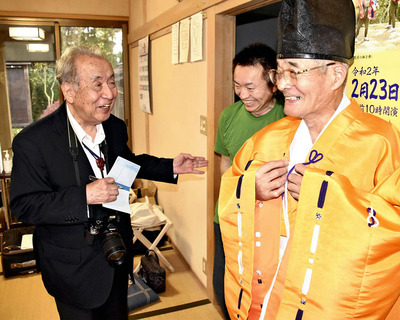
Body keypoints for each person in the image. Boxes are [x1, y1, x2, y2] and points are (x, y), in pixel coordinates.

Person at [218, 0, 400, 319]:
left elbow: (392, 229)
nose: (282, 84)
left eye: (294, 72)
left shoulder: (380, 141)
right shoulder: (266, 140)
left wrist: (331, 201)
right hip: (267, 300)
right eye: (280, 71)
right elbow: (230, 187)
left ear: (335, 74)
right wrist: (251, 191)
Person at [10, 45, 208, 320]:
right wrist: (84, 197)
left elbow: (126, 163)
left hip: (116, 255)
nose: (110, 93)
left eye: (112, 82)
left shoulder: (114, 126)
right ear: (68, 90)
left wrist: (169, 166)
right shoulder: (34, 142)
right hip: (72, 270)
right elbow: (24, 205)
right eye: (97, 84)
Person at [213, 43, 285, 319]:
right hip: (229, 219)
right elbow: (225, 162)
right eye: (237, 85)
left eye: (251, 87)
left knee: (264, 299)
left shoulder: (290, 119)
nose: (243, 94)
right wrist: (236, 195)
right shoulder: (229, 116)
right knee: (225, 289)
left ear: (274, 82)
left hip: (271, 227)